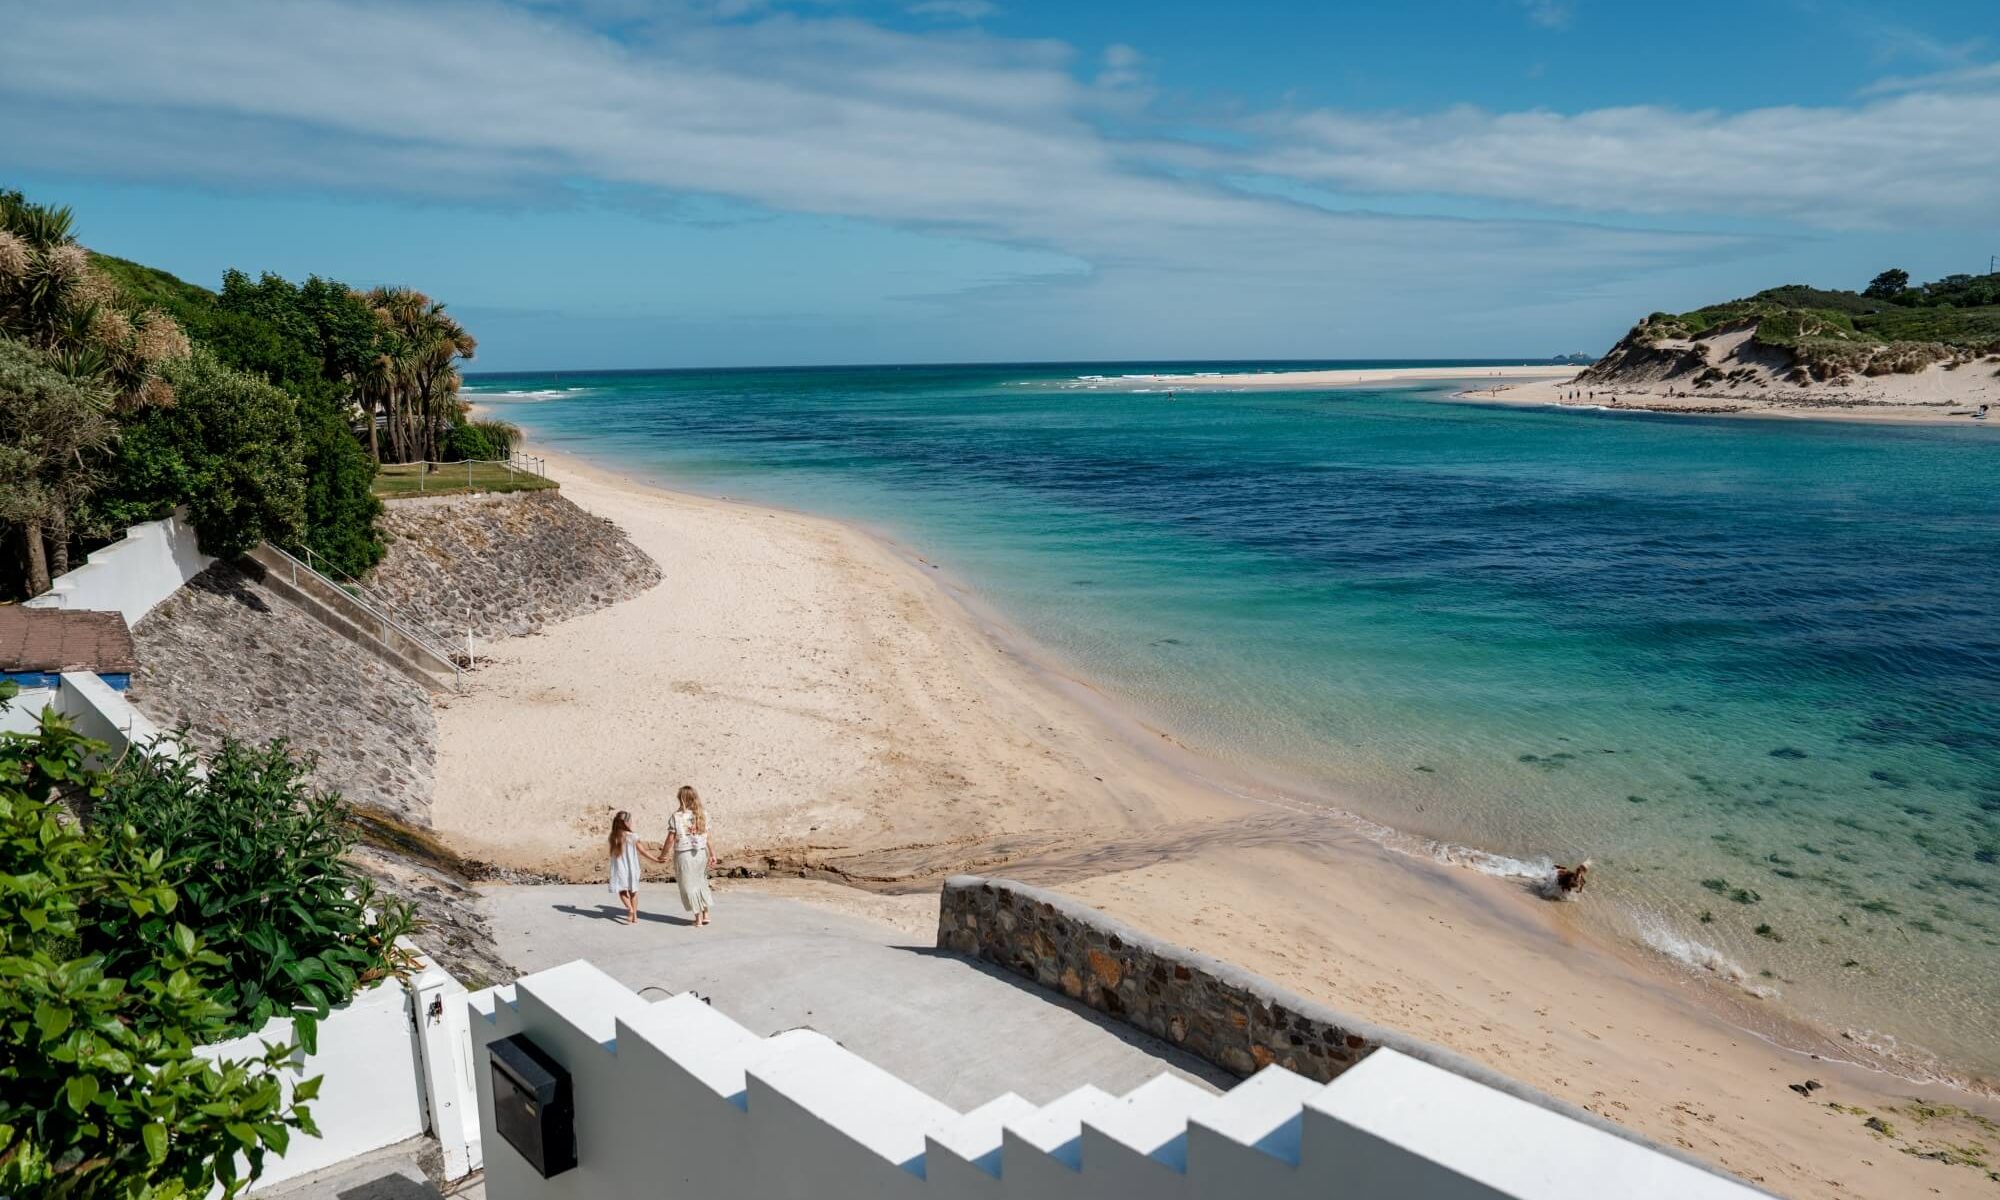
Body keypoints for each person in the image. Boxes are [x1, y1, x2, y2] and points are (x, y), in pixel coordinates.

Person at [666, 785, 718, 926]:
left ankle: (698, 919)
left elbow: (670, 838)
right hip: (701, 853)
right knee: (701, 882)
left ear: (681, 799)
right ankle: (706, 914)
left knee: (689, 886)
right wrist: (713, 854)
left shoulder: (676, 817)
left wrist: (663, 854)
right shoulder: (703, 814)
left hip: (684, 855)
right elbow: (709, 837)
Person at [606, 810, 653, 925]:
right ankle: (635, 915)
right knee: (633, 892)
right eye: (630, 820)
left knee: (622, 891)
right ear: (626, 823)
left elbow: (612, 854)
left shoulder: (613, 837)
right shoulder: (632, 836)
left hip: (620, 868)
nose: (631, 822)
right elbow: (642, 851)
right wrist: (656, 859)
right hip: (632, 868)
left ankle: (630, 910)